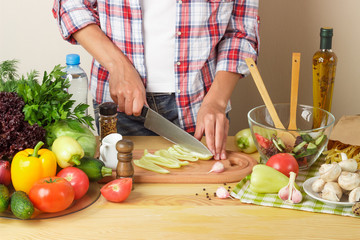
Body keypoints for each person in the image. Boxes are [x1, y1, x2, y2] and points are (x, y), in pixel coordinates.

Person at [52, 0, 259, 160]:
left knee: (198, 204)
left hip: (202, 105)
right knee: (124, 203)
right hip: (120, 105)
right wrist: (118, 66)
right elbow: (71, 5)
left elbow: (241, 31)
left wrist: (217, 101)